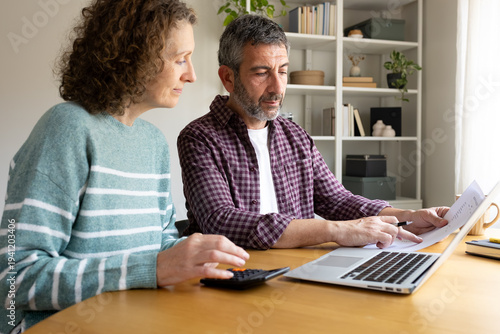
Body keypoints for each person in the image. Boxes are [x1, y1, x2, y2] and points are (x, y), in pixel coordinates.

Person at [0, 1, 249, 332]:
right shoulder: (66, 130)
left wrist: (197, 254)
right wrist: (152, 268)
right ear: (135, 58)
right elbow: (16, 278)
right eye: (180, 60)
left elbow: (158, 245)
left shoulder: (154, 143)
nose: (191, 75)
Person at [177, 14, 449, 250]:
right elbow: (221, 221)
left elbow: (336, 200)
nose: (277, 87)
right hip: (231, 276)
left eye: (282, 72)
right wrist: (335, 230)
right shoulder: (200, 138)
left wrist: (408, 216)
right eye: (262, 73)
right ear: (228, 78)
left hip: (296, 271)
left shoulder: (295, 136)